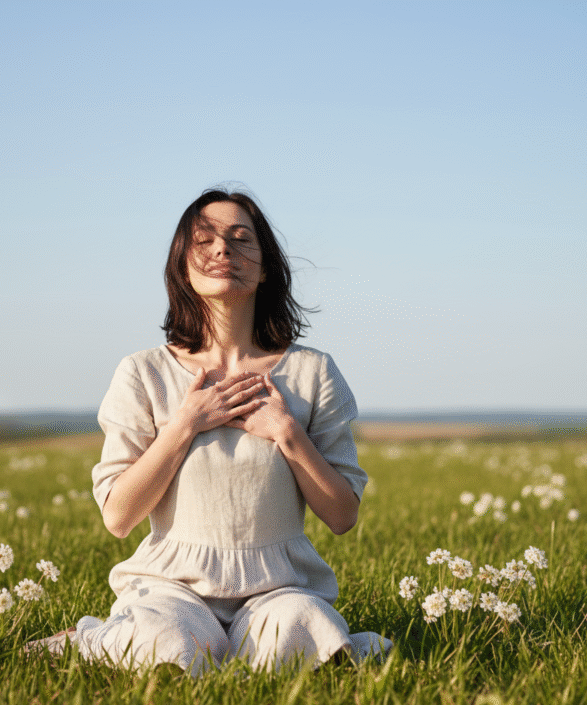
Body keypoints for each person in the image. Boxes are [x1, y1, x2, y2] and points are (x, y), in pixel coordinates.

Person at [29, 189, 391, 673]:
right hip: (171, 589)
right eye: (206, 240)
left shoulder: (313, 372)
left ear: (265, 268)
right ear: (183, 265)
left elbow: (343, 515)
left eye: (242, 240)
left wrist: (287, 432)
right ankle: (93, 638)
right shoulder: (143, 373)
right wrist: (185, 425)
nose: (224, 250)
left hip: (279, 589)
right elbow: (118, 517)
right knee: (168, 641)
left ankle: (238, 646)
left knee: (301, 625)